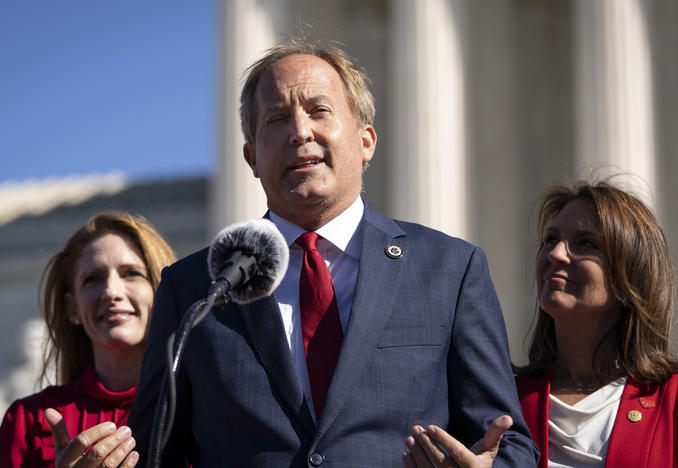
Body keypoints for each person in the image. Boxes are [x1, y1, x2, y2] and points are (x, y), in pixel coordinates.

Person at [128, 39, 538, 467]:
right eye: (277, 118)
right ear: (252, 157)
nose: (300, 131)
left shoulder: (450, 270)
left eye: (319, 111)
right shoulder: (193, 288)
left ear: (366, 141)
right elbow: (154, 452)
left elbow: (508, 443)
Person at [514, 180, 678, 467]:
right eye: (551, 239)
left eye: (586, 243)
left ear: (630, 273)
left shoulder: (672, 399)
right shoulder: (505, 398)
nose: (555, 254)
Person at [0, 212, 176, 468]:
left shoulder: (202, 410)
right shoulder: (28, 420)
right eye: (93, 279)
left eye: (131, 273)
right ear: (73, 308)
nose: (111, 292)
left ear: (160, 292)